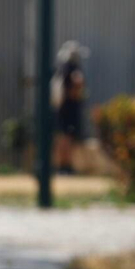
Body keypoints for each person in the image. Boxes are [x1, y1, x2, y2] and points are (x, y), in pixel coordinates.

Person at [52, 40, 88, 173]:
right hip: (69, 108)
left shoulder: (62, 68)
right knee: (67, 137)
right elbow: (78, 83)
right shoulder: (73, 69)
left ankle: (61, 165)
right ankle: (66, 165)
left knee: (62, 136)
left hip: (61, 108)